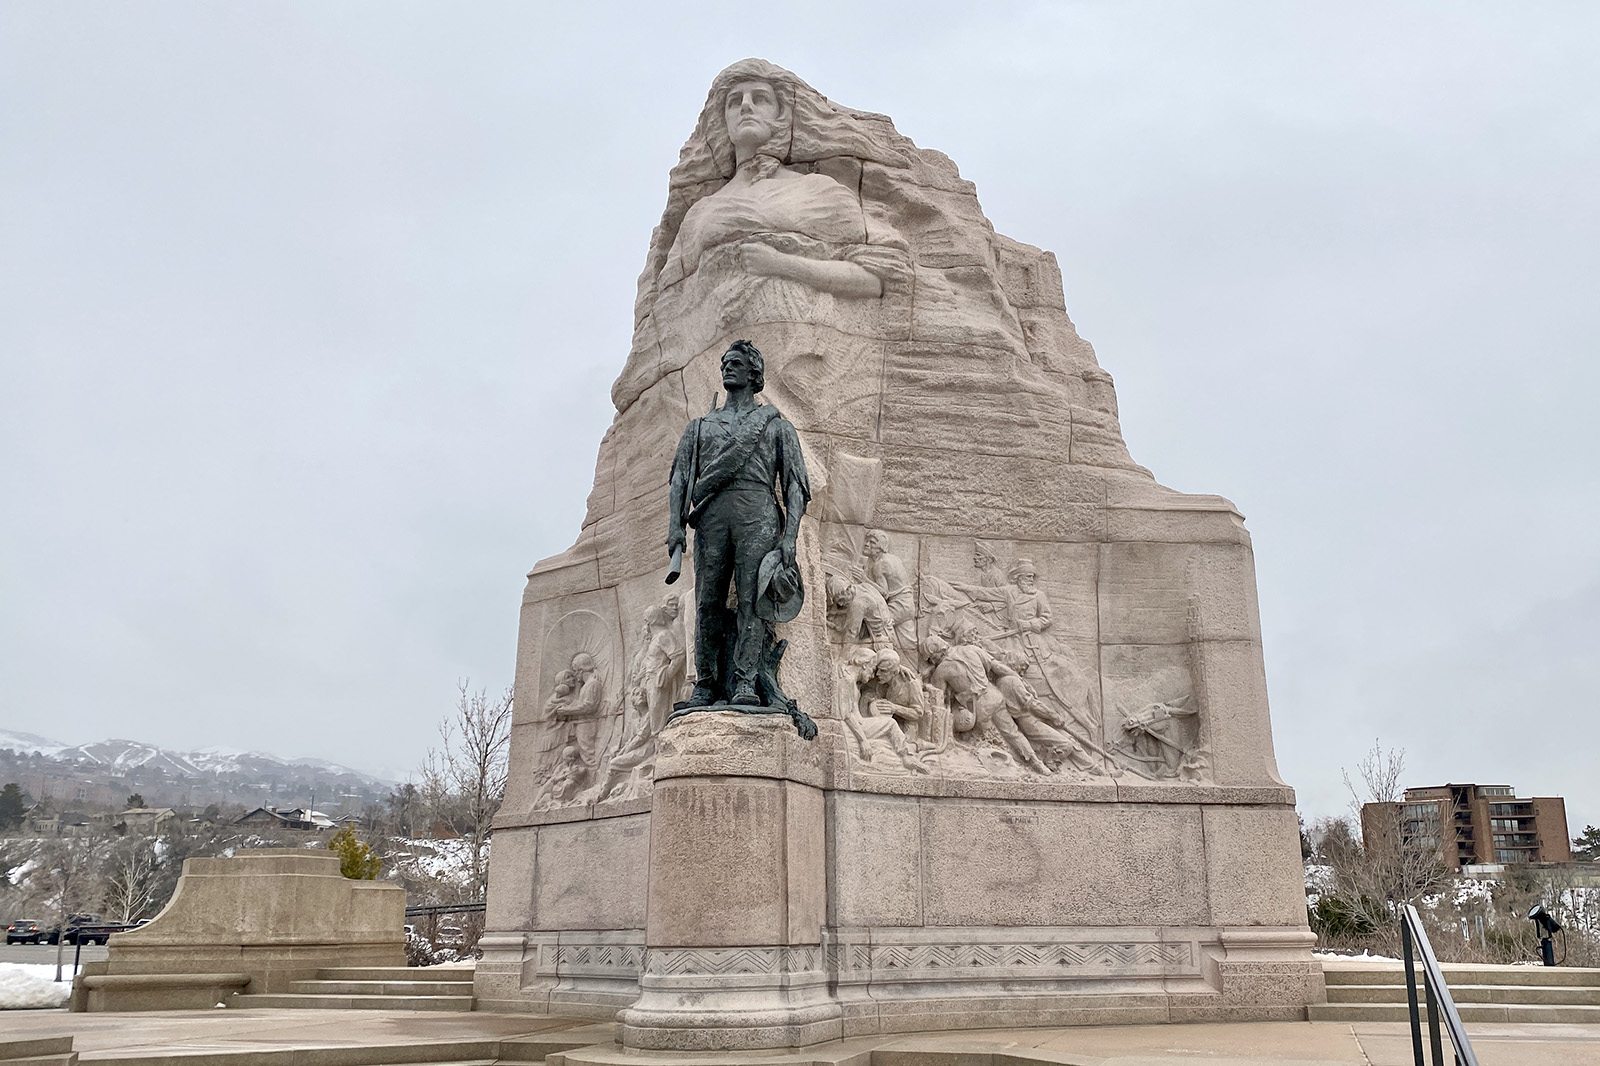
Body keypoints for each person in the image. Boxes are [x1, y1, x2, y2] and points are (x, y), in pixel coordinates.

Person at [666, 340, 811, 714]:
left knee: (751, 601)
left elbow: (796, 486)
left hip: (759, 514)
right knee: (707, 602)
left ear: (754, 374)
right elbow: (681, 479)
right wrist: (675, 529)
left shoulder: (777, 426)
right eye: (725, 363)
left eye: (736, 363)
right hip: (712, 517)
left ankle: (746, 680)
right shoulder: (699, 428)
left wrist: (790, 537)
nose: (728, 368)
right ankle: (706, 683)